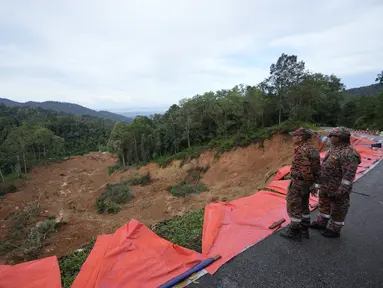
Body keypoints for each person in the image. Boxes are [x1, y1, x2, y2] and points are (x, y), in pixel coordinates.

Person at [310, 127, 361, 237]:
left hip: (337, 189)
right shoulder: (336, 146)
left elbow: (348, 177)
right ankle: (322, 222)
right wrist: (316, 134)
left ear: (338, 138)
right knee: (324, 205)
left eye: (331, 136)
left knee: (338, 209)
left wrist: (340, 192)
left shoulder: (349, 154)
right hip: (326, 186)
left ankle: (334, 229)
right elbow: (325, 140)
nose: (329, 138)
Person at [280, 128, 321, 241]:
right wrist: (314, 184)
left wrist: (309, 182)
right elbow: (317, 168)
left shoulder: (301, 150)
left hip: (299, 183)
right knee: (304, 205)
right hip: (306, 184)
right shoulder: (313, 149)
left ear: (301, 137)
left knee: (293, 205)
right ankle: (304, 229)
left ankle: (294, 231)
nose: (292, 138)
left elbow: (305, 170)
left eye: (295, 136)